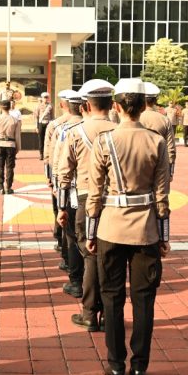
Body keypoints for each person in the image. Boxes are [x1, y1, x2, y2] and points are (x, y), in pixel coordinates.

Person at [86, 78, 170, 375]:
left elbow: (94, 194)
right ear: (142, 106)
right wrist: (164, 235)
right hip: (146, 229)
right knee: (144, 298)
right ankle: (139, 365)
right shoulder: (156, 141)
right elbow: (163, 194)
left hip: (110, 226)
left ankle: (115, 363)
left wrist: (90, 232)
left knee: (111, 296)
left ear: (117, 107)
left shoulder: (105, 140)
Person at [57, 79, 116, 332]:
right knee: (110, 256)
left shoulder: (75, 132)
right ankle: (108, 312)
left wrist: (61, 207)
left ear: (85, 107)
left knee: (90, 254)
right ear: (111, 104)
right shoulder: (118, 130)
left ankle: (90, 311)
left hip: (84, 198)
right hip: (114, 200)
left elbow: (64, 173)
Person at [51, 91, 85, 288]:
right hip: (107, 195)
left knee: (73, 237)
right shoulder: (113, 129)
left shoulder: (67, 130)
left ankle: (76, 280)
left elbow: (58, 164)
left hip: (75, 192)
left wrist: (59, 194)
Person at [44, 90, 75, 256]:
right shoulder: (84, 124)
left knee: (60, 209)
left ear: (62, 105)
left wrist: (49, 177)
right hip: (82, 182)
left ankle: (60, 242)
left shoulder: (55, 125)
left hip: (60, 176)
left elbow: (48, 155)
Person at [140, 82, 177, 178]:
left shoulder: (135, 117)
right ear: (155, 100)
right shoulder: (164, 119)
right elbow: (171, 148)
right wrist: (170, 170)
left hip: (138, 165)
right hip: (160, 165)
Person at [0, 100, 21, 194]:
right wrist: (18, 147)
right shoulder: (14, 120)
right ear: (10, 107)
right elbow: (17, 136)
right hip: (11, 145)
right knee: (10, 167)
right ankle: (8, 187)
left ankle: (0, 187)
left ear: (1, 107)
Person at [37, 92, 53, 158]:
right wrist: (36, 126)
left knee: (48, 139)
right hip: (41, 123)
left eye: (47, 97)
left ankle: (47, 153)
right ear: (42, 98)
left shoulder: (50, 106)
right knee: (41, 139)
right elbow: (37, 117)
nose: (45, 99)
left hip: (48, 123)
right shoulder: (39, 106)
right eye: (44, 97)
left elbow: (52, 116)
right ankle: (41, 153)